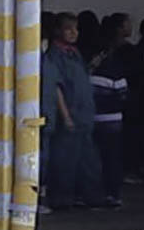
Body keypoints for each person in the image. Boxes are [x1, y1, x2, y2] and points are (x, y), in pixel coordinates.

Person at [42, 12, 105, 210]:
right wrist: (66, 115)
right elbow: (56, 87)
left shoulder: (75, 53)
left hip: (84, 114)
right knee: (64, 160)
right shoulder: (54, 56)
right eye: (68, 29)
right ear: (57, 31)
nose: (73, 33)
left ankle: (91, 196)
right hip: (69, 115)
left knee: (88, 160)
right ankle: (62, 199)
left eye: (76, 29)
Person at [87, 18, 132, 208]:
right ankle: (113, 194)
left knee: (95, 158)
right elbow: (123, 95)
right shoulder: (116, 70)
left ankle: (96, 193)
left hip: (93, 117)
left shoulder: (89, 72)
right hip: (114, 119)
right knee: (112, 157)